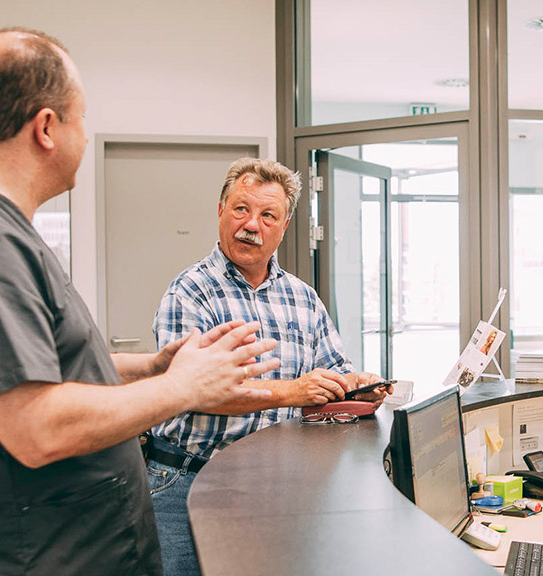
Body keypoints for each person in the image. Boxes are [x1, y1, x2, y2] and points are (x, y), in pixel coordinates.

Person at [0, 28, 279, 576]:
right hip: (32, 558)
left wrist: (152, 366)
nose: (86, 139)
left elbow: (40, 370)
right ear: (46, 127)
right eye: (82, 119)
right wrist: (183, 387)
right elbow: (37, 425)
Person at [146, 157, 390, 575]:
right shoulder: (189, 293)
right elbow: (191, 391)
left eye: (267, 215)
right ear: (220, 210)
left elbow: (332, 371)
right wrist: (294, 391)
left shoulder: (303, 297)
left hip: (277, 490)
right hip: (187, 483)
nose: (251, 224)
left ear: (284, 226)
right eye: (241, 208)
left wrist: (356, 386)